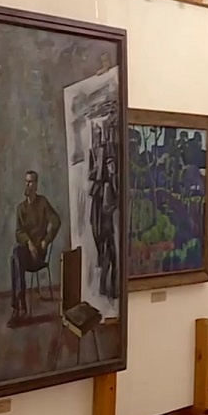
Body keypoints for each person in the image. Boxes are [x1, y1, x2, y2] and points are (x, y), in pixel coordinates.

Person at [9, 170, 61, 326]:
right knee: (16, 255)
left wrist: (46, 240)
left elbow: (56, 221)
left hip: (39, 254)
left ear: (36, 185)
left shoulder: (42, 203)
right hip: (26, 253)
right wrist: (29, 244)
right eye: (26, 181)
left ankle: (18, 309)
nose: (27, 184)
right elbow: (18, 233)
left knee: (15, 258)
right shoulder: (21, 208)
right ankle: (20, 307)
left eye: (30, 182)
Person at [88, 120, 119, 299]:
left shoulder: (111, 148)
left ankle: (108, 287)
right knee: (108, 249)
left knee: (111, 251)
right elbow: (91, 174)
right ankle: (106, 287)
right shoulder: (94, 152)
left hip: (108, 210)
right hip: (102, 208)